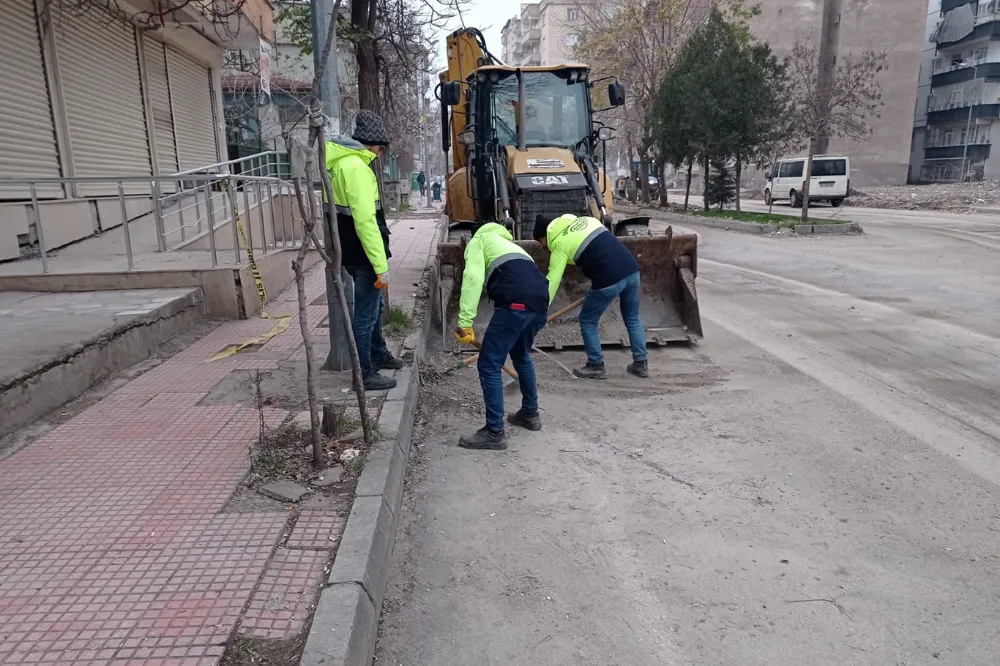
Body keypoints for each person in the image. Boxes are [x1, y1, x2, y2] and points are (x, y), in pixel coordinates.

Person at [326, 109, 403, 391]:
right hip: (364, 253)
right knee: (366, 314)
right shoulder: (356, 168)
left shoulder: (340, 164)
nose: (381, 155)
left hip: (351, 250)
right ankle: (365, 374)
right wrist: (380, 265)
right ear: (371, 144)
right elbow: (365, 221)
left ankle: (379, 354)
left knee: (374, 306)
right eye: (380, 149)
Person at [455, 222, 550, 450]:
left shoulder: (479, 241)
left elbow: (473, 277)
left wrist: (465, 321)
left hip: (515, 305)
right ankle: (530, 413)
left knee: (489, 364)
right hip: (540, 304)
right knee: (521, 355)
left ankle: (494, 432)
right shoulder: (511, 246)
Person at [534, 214, 648, 380]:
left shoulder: (559, 244)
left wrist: (541, 307)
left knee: (588, 320)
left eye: (540, 241)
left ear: (546, 235)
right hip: (632, 271)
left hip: (609, 278)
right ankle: (641, 363)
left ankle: (596, 365)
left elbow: (553, 280)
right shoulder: (588, 221)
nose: (541, 246)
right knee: (632, 317)